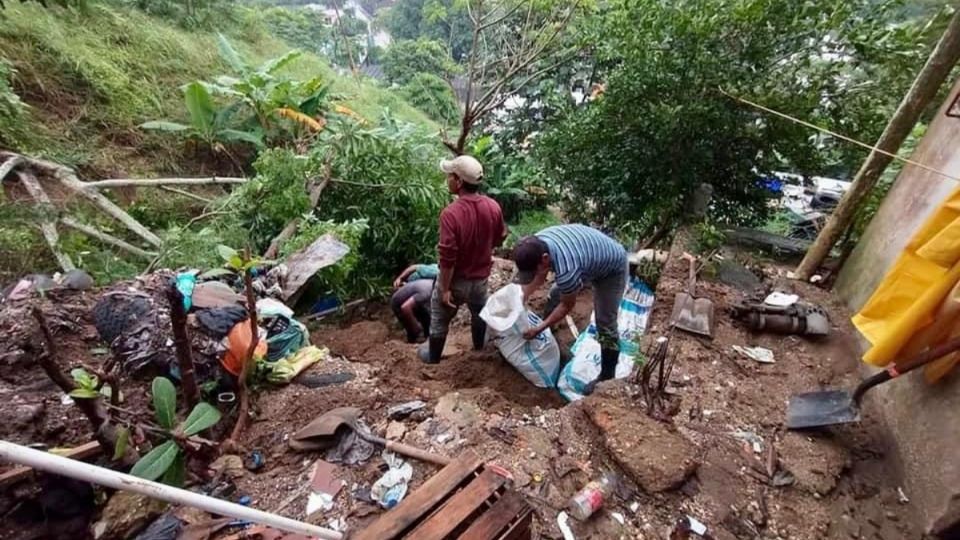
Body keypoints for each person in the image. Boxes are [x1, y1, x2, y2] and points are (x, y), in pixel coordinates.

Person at [512, 224, 628, 392]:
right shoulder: (535, 243)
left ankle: (607, 377)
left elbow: (567, 305)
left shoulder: (567, 271)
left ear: (545, 259)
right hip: (587, 257)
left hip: (612, 269)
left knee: (605, 322)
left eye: (535, 271)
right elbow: (529, 281)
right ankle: (549, 331)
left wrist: (538, 328)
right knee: (555, 293)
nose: (534, 276)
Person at [421, 154, 507, 363]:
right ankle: (478, 349)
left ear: (459, 182)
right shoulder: (493, 206)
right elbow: (501, 236)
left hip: (457, 279)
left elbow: (448, 257)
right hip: (480, 278)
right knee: (478, 312)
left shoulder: (451, 214)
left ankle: (433, 360)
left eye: (450, 176)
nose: (448, 179)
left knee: (440, 318)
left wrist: (444, 288)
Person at [390, 263, 438, 343]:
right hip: (398, 303)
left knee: (428, 322)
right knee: (414, 331)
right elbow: (405, 308)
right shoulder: (428, 289)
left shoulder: (434, 281)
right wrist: (418, 329)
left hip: (412, 292)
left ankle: (425, 339)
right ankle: (414, 341)